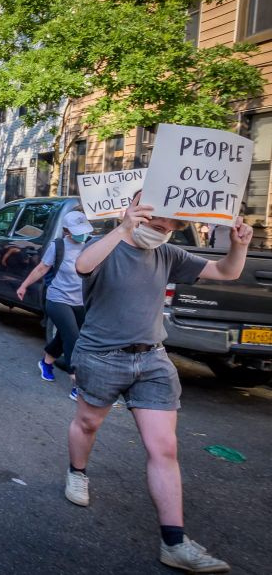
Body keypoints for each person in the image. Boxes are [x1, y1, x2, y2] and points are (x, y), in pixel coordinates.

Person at [65, 193, 251, 573]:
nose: (161, 234)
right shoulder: (108, 245)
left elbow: (226, 272)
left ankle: (174, 542)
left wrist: (239, 245)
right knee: (88, 423)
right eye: (156, 226)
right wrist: (123, 227)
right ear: (137, 213)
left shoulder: (169, 255)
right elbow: (82, 266)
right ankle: (77, 472)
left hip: (152, 358)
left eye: (169, 229)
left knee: (164, 447)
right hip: (101, 356)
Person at [15, 210, 93, 399]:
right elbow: (42, 268)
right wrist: (24, 285)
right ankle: (77, 384)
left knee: (66, 335)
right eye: (77, 230)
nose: (81, 233)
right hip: (58, 299)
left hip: (80, 301)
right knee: (73, 339)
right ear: (67, 230)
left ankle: (46, 362)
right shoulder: (58, 246)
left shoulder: (91, 244)